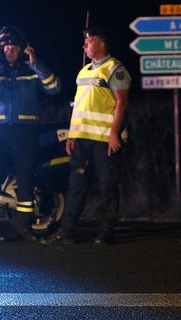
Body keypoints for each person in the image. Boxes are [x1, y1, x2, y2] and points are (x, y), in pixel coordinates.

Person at [0, 26, 61, 242]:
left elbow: (54, 87)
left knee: (25, 180)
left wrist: (36, 63)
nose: (9, 49)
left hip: (25, 133)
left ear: (22, 49)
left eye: (13, 46)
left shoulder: (31, 70)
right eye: (5, 46)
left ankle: (23, 226)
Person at [42, 25, 130, 245]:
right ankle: (66, 231)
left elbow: (122, 102)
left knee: (107, 186)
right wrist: (72, 136)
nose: (84, 46)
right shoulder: (83, 72)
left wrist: (114, 133)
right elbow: (79, 107)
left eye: (89, 42)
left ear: (101, 43)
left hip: (104, 140)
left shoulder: (114, 68)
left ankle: (106, 231)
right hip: (81, 140)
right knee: (76, 187)